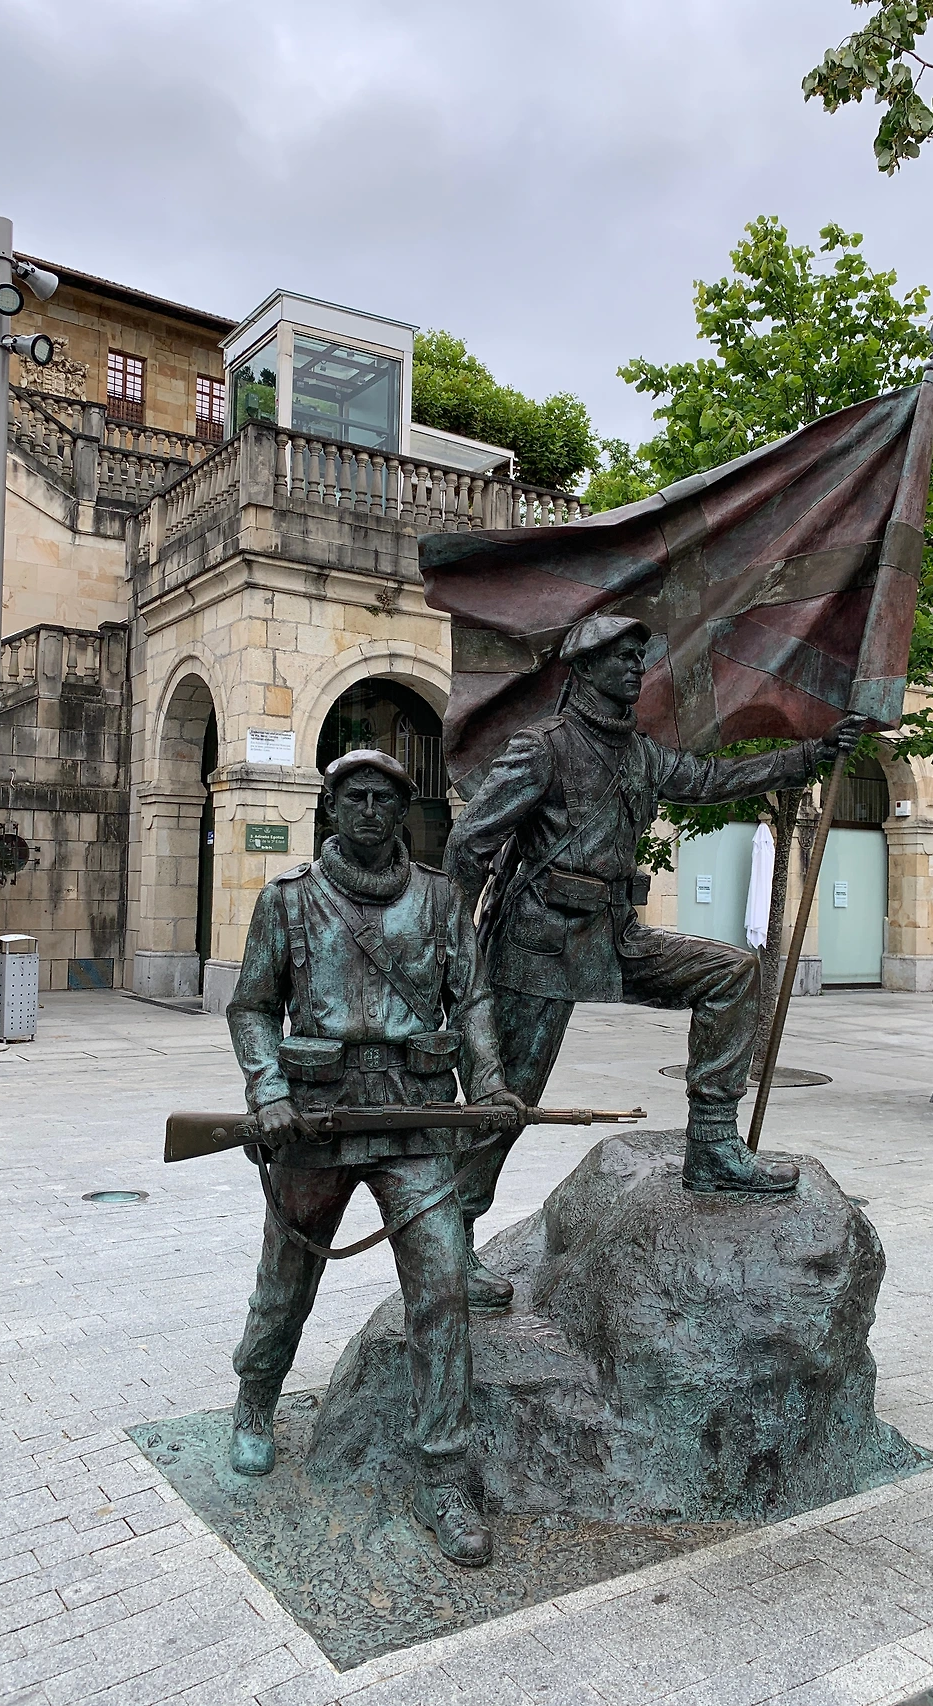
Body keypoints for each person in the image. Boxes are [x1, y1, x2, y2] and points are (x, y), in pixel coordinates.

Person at [444, 615, 863, 1312]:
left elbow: (713, 779)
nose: (636, 666)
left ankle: (713, 1146)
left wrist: (809, 756)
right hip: (538, 947)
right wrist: (455, 959)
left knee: (732, 972)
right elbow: (468, 847)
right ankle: (449, 1243)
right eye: (621, 656)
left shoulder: (639, 754)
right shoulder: (543, 748)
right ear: (583, 668)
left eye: (640, 655)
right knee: (503, 1103)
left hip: (613, 934)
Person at [225, 749, 524, 1568]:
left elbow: (472, 1000)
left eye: (383, 799)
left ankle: (444, 1476)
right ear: (329, 808)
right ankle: (255, 1400)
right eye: (353, 796)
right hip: (317, 1120)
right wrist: (267, 1092)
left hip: (414, 1120)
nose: (367, 809)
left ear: (402, 812)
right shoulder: (287, 900)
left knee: (443, 1287)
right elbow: (252, 1008)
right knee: (286, 1277)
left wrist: (490, 1081)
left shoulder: (440, 900)